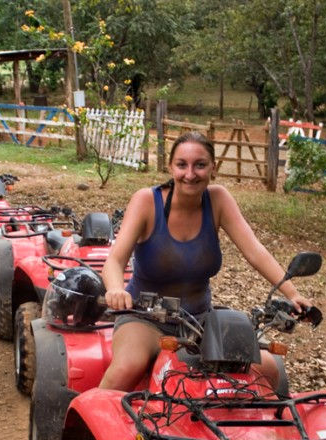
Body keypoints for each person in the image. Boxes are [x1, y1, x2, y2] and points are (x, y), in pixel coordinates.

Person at [99, 130, 312, 391]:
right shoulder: (147, 201)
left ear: (213, 167)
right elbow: (115, 260)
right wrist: (115, 289)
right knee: (126, 368)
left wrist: (292, 293)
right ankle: (86, 426)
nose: (190, 174)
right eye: (182, 165)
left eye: (200, 165)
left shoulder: (218, 199)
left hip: (199, 321)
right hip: (147, 319)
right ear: (170, 167)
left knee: (266, 368)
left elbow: (254, 251)